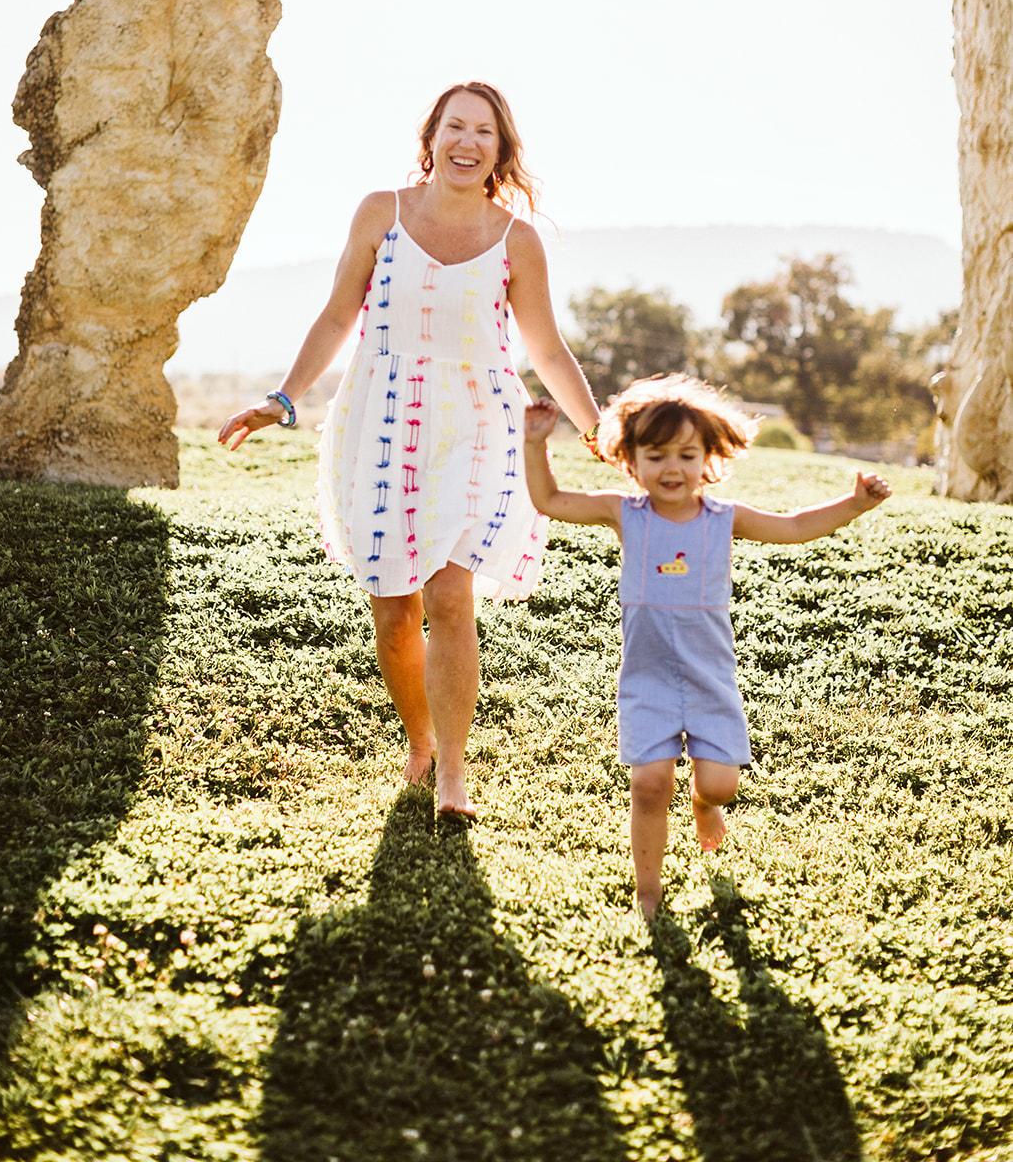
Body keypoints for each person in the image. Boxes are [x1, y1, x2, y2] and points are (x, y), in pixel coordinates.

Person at [219, 81, 601, 820]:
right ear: (430, 137)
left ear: (500, 149)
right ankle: (420, 738)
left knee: (450, 595)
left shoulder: (514, 239)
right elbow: (337, 316)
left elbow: (545, 348)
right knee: (394, 612)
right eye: (454, 127)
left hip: (480, 424)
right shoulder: (379, 213)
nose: (467, 143)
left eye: (483, 133)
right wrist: (283, 397)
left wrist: (595, 427)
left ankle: (453, 772)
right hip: (385, 420)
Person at [522, 374, 892, 918]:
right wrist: (535, 443)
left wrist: (855, 504)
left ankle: (702, 804)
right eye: (656, 455)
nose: (671, 468)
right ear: (630, 458)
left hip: (709, 677)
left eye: (686, 455)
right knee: (649, 785)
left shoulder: (726, 518)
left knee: (720, 787)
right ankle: (648, 891)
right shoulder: (624, 513)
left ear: (708, 457)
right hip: (647, 677)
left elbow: (794, 528)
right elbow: (549, 500)